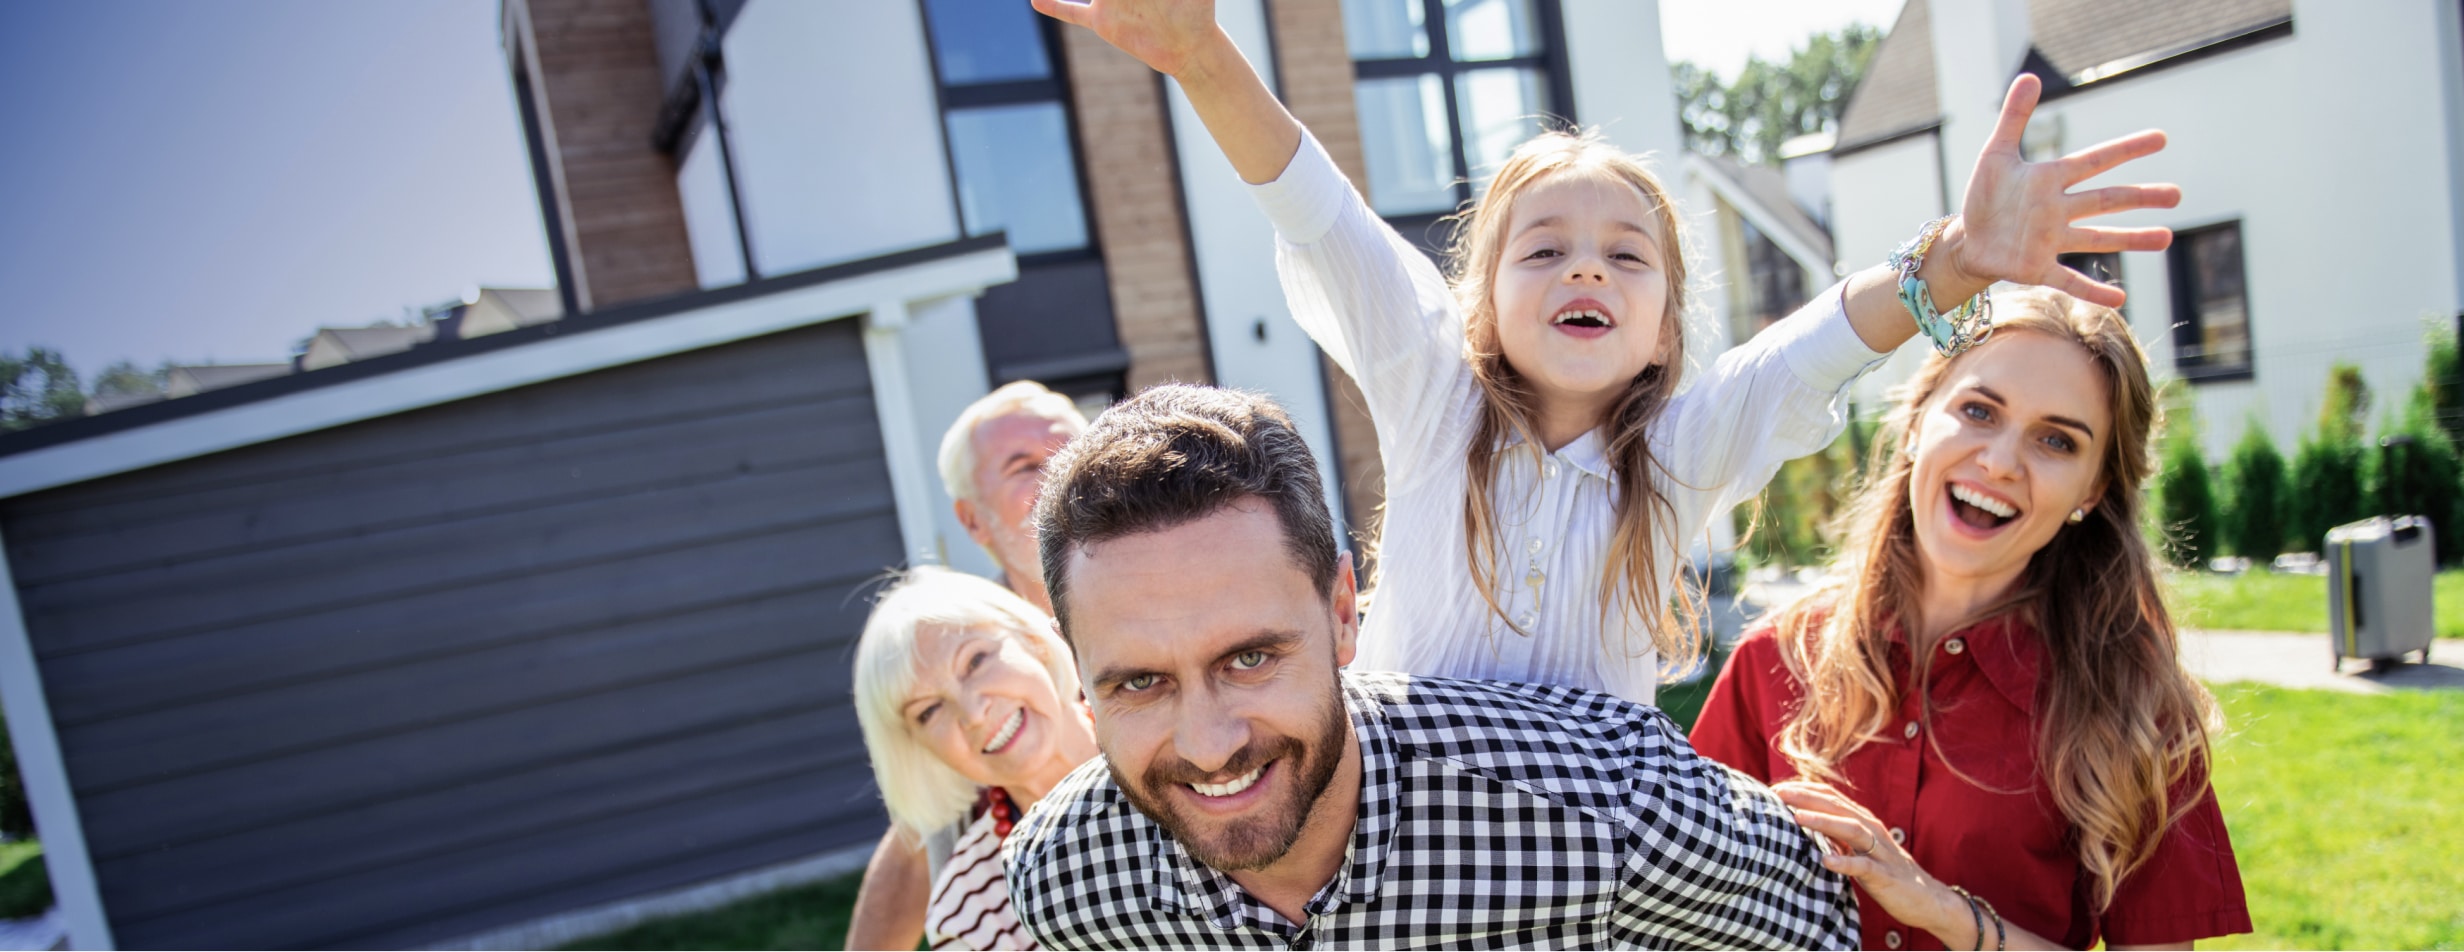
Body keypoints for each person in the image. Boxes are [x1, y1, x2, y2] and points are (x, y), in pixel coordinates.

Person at [1032, 0, 2182, 706]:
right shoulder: (1431, 383)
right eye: (1544, 250)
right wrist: (1199, 56)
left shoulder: (1685, 444)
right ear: (1477, 304)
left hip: (1584, 854)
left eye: (1627, 258)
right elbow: (1320, 213)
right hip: (1399, 826)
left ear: (1666, 332)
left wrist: (1960, 258)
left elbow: (1814, 346)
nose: (1586, 270)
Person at [1002, 384, 1858, 949]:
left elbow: (1823, 929)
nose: (1210, 742)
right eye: (1140, 682)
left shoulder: (1603, 806)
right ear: (1079, 672)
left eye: (1251, 657)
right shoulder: (1067, 878)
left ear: (1343, 613)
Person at [1688, 289, 2251, 950]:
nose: (2000, 461)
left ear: (2092, 491)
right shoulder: (1772, 661)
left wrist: (1945, 913)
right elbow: (1685, 908)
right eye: (1979, 411)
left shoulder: (2135, 708)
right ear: (1919, 420)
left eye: (2056, 441)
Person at [844, 381, 1088, 950]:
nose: (1062, 472)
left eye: (1074, 447)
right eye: (1024, 466)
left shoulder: (1176, 594)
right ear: (973, 522)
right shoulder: (968, 645)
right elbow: (917, 840)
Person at [851, 566, 1100, 950]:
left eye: (975, 661)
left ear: (1033, 639)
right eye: (929, 711)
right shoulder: (966, 908)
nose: (972, 712)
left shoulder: (1174, 753)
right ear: (921, 751)